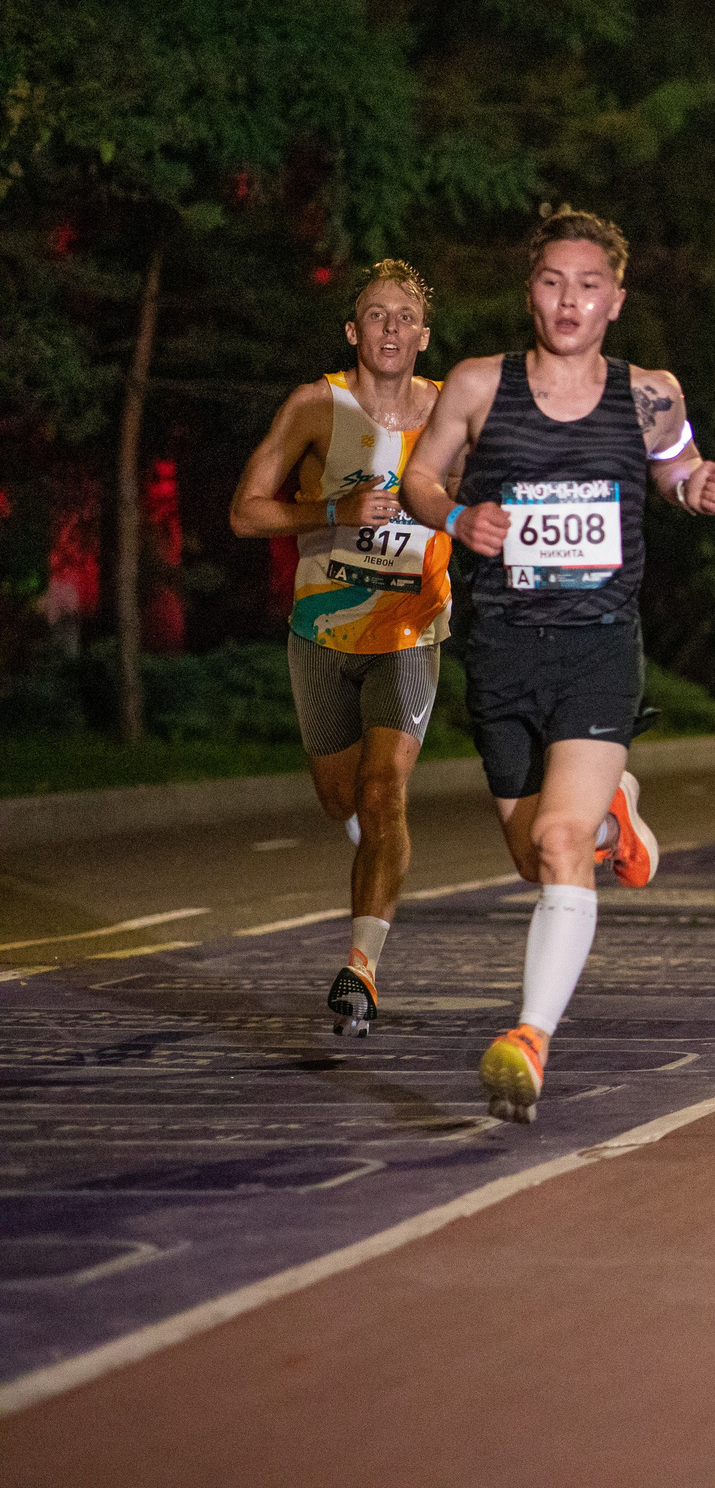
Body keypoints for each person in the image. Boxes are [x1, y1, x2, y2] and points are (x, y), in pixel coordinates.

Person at [400, 206, 715, 1122]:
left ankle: (530, 1038)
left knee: (555, 845)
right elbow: (418, 478)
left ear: (616, 300)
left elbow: (677, 469)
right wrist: (456, 518)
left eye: (589, 285)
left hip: (598, 647)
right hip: (502, 650)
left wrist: (696, 490)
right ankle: (611, 823)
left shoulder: (648, 392)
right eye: (554, 282)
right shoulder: (476, 386)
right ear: (531, 291)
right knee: (534, 854)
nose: (569, 301)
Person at [228, 260, 453, 1039]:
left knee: (384, 788)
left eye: (406, 315)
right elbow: (246, 513)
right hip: (321, 632)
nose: (391, 327)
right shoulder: (316, 406)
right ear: (354, 332)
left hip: (408, 630)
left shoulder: (453, 410)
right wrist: (335, 507)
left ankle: (361, 967)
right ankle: (373, 858)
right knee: (342, 798)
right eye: (376, 315)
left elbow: (493, 495)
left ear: (424, 335)